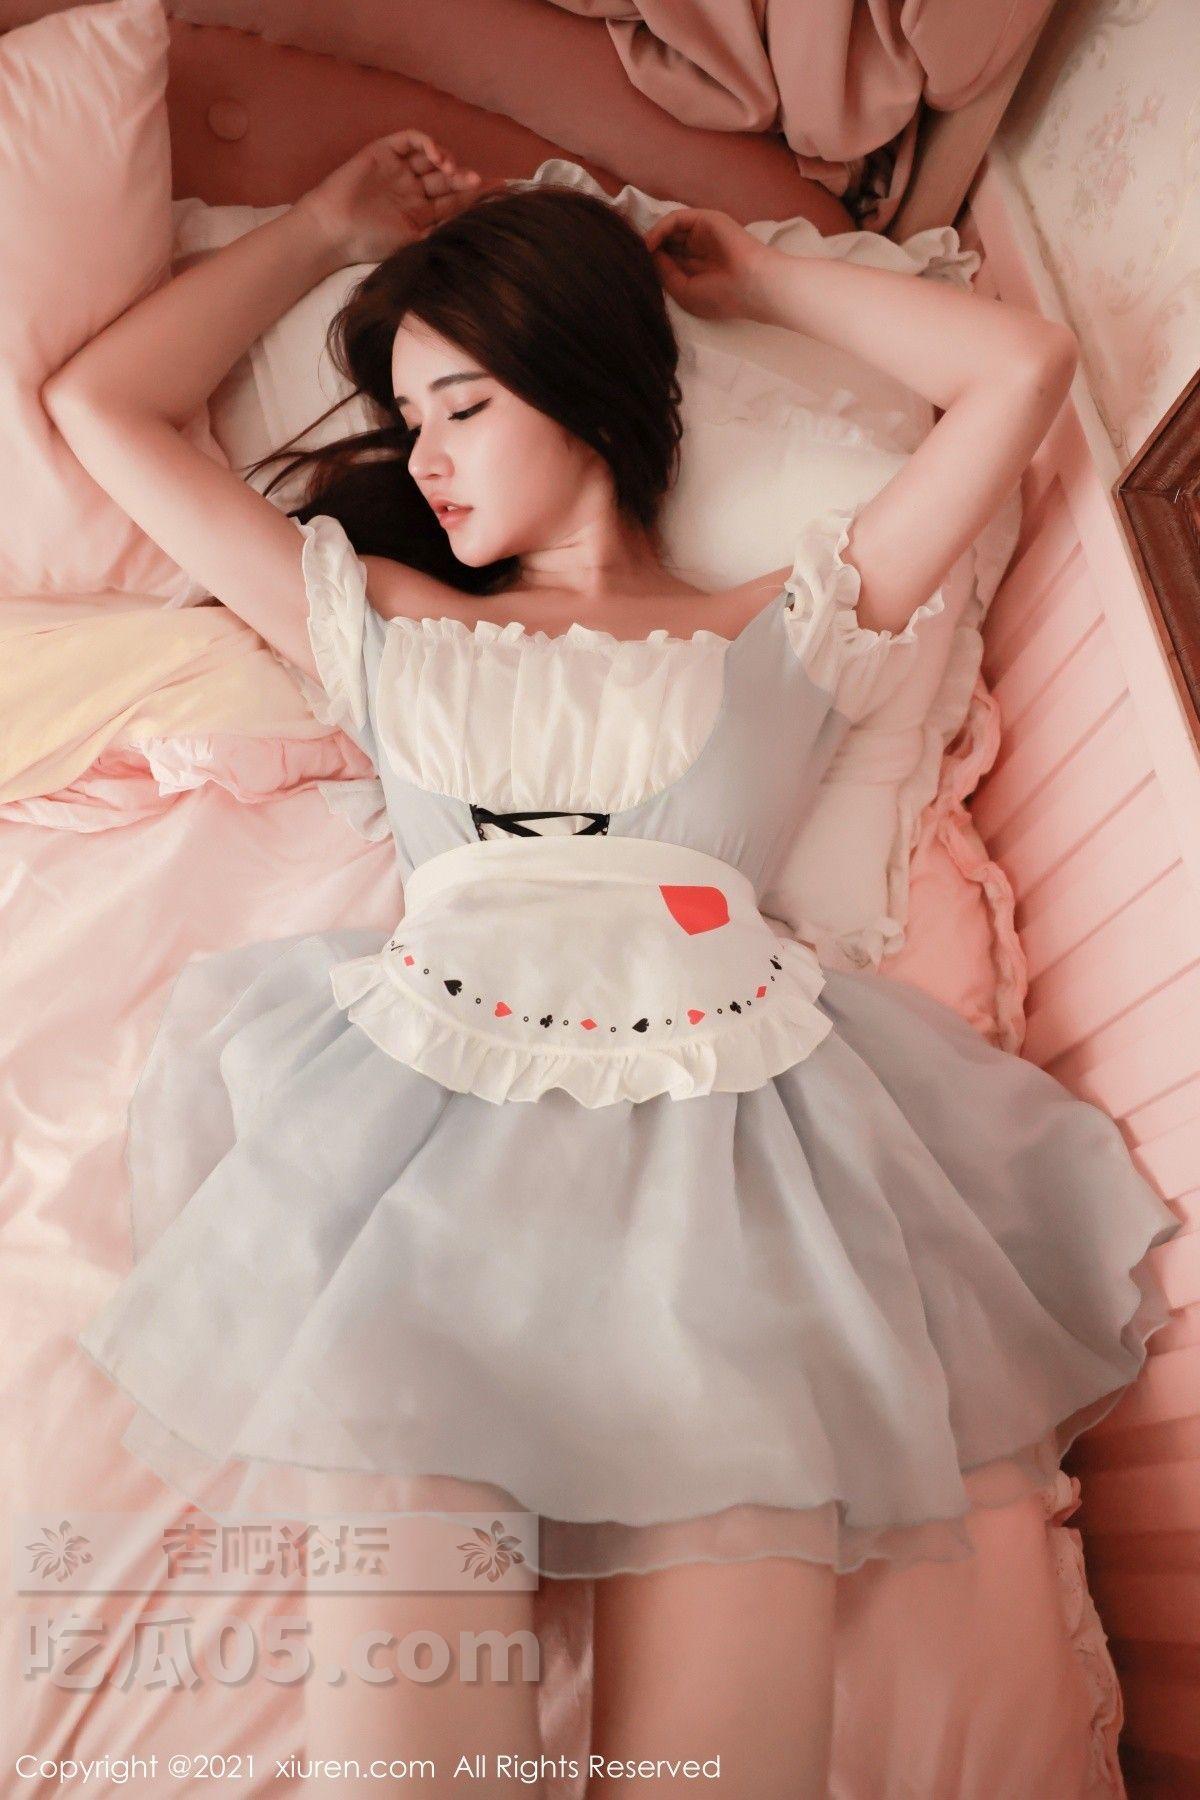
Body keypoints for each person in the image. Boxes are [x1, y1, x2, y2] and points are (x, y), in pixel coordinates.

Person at [42, 130, 1181, 1799]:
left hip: (727, 1191)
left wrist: (762, 277)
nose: (426, 458)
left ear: (578, 382)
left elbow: (1023, 369)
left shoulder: (793, 621)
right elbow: (101, 408)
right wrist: (320, 226)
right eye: (408, 421)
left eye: (461, 406)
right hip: (418, 1188)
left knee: (727, 1772)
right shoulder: (378, 616)